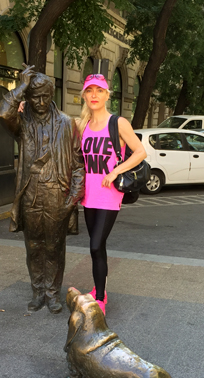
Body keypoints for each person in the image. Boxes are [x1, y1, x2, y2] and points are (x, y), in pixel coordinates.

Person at [0, 65, 85, 314]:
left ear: (52, 95)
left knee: (54, 246)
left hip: (58, 193)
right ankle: (37, 291)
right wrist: (20, 87)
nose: (41, 101)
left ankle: (52, 293)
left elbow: (79, 165)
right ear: (27, 97)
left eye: (45, 96)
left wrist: (72, 199)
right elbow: (3, 114)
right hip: (31, 193)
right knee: (33, 245)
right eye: (35, 96)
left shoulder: (68, 124)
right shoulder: (22, 123)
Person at [76, 74, 146, 315]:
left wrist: (116, 171)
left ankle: (101, 298)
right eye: (89, 90)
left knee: (95, 245)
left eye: (99, 90)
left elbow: (140, 152)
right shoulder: (82, 125)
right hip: (88, 195)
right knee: (98, 245)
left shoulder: (117, 123)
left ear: (107, 95)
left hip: (109, 195)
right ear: (84, 95)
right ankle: (98, 289)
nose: (94, 95)